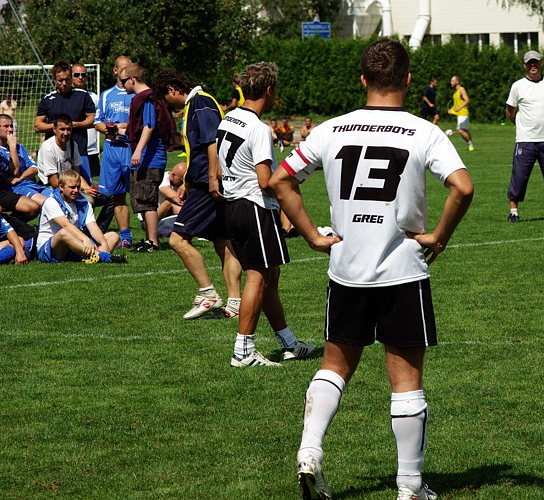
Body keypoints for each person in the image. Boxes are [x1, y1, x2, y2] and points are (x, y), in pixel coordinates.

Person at [270, 37, 473, 500]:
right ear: (408, 80)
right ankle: (409, 488)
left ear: (363, 79)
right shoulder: (424, 132)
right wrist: (440, 236)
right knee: (406, 381)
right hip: (402, 270)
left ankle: (310, 451)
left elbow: (281, 180)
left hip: (347, 269)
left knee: (334, 366)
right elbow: (462, 187)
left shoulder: (330, 130)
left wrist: (313, 236)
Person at [217, 61, 315, 366]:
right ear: (269, 90)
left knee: (270, 275)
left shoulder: (229, 118)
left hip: (233, 206)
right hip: (254, 208)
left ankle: (288, 343)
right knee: (258, 277)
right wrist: (292, 181)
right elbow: (264, 181)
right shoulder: (259, 129)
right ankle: (243, 350)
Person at [155, 69, 242, 320]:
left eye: (165, 98)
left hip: (208, 183)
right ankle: (235, 303)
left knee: (177, 240)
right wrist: (188, 182)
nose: (168, 104)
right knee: (222, 241)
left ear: (172, 89)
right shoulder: (198, 102)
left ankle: (208, 293)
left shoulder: (200, 103)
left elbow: (212, 142)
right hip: (204, 181)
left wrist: (212, 178)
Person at [505, 51, 544, 223]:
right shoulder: (518, 86)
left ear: (541, 63)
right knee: (519, 176)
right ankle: (513, 212)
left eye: (535, 62)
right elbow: (510, 112)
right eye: (529, 63)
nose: (533, 65)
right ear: (524, 65)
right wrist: (522, 126)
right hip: (525, 140)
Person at [124, 64, 176, 253]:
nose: (122, 84)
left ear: (132, 79)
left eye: (124, 81)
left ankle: (153, 242)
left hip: (150, 159)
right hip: (145, 157)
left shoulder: (147, 99)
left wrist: (138, 151)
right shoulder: (143, 98)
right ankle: (148, 240)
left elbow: (149, 126)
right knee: (141, 199)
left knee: (147, 200)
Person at [35, 169, 126, 264]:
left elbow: (93, 227)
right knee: (64, 233)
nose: (76, 190)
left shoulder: (84, 203)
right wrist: (85, 239)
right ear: (61, 187)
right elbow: (66, 225)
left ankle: (97, 256)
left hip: (75, 243)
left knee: (114, 236)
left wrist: (104, 244)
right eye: (72, 187)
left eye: (78, 187)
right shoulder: (51, 201)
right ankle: (103, 256)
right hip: (51, 248)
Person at [94, 56, 135, 245]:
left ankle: (151, 235)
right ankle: (126, 237)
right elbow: (97, 122)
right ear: (115, 70)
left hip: (132, 148)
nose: (127, 71)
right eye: (124, 68)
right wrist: (108, 129)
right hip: (112, 149)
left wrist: (120, 128)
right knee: (117, 195)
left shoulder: (136, 94)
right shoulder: (106, 95)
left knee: (139, 193)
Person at [34, 61, 96, 180]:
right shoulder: (48, 99)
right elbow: (37, 126)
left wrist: (75, 125)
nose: (64, 83)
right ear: (54, 80)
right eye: (60, 80)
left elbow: (92, 119)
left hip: (80, 151)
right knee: (57, 186)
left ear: (71, 78)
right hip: (56, 155)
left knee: (85, 187)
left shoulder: (83, 96)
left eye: (67, 80)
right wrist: (59, 127)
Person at [36, 115, 97, 202]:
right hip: (52, 188)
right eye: (62, 129)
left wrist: (89, 189)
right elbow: (54, 182)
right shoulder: (48, 149)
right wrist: (81, 190)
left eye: (68, 129)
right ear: (54, 130)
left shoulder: (72, 144)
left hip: (71, 186)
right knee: (89, 201)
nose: (66, 133)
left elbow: (77, 175)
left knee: (107, 196)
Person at [0, 113, 49, 207]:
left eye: (11, 126)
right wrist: (12, 148)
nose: (10, 130)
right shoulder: (6, 150)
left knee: (57, 198)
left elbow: (34, 169)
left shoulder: (20, 147)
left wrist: (21, 177)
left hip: (30, 184)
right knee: (47, 203)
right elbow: (14, 173)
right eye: (6, 126)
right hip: (15, 188)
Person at [71, 62, 101, 178]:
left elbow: (99, 120)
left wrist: (81, 124)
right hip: (71, 148)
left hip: (91, 149)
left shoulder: (94, 97)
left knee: (92, 183)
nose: (80, 77)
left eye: (83, 75)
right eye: (76, 75)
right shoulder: (66, 97)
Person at [448, 75, 474, 151]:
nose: (451, 82)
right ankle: (470, 144)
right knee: (465, 130)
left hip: (463, 113)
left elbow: (467, 100)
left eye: (452, 81)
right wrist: (451, 109)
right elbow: (456, 104)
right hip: (459, 114)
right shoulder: (455, 92)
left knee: (460, 130)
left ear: (457, 82)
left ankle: (470, 144)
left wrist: (460, 108)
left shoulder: (461, 90)